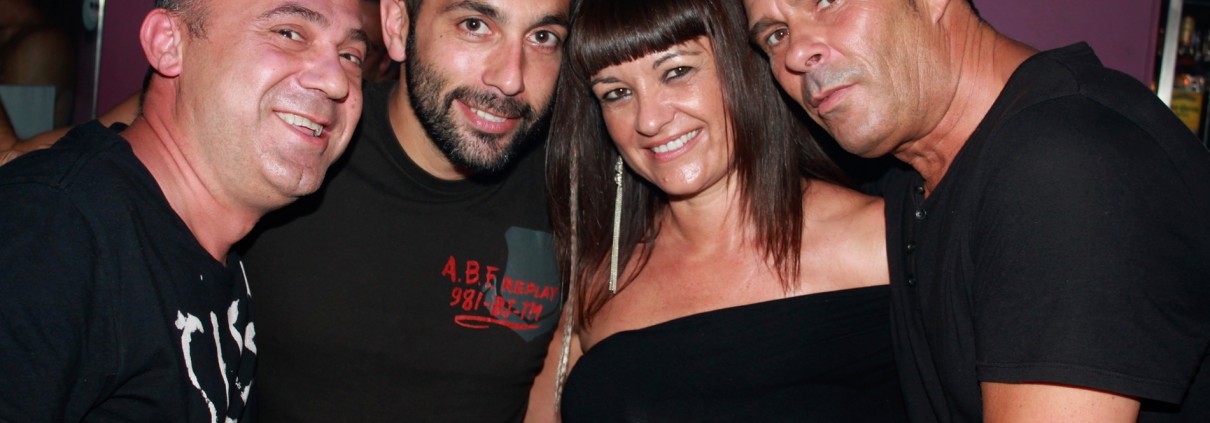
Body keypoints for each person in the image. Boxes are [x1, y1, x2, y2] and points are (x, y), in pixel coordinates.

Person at [743, 0, 1210, 421]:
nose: (796, 54)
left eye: (828, 2)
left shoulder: (1064, 165)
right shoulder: (908, 171)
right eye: (776, 36)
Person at [0, 0, 366, 420]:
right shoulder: (51, 231)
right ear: (168, 44)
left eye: (351, 56)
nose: (336, 82)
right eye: (289, 33)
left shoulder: (212, 241)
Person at [541, 0, 904, 420]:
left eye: (677, 71)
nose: (649, 121)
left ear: (744, 68)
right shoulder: (598, 281)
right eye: (617, 93)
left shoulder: (880, 242)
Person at [237, 0, 570, 420]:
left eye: (543, 37)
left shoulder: (574, 191)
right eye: (474, 25)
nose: (510, 78)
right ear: (398, 25)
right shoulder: (297, 149)